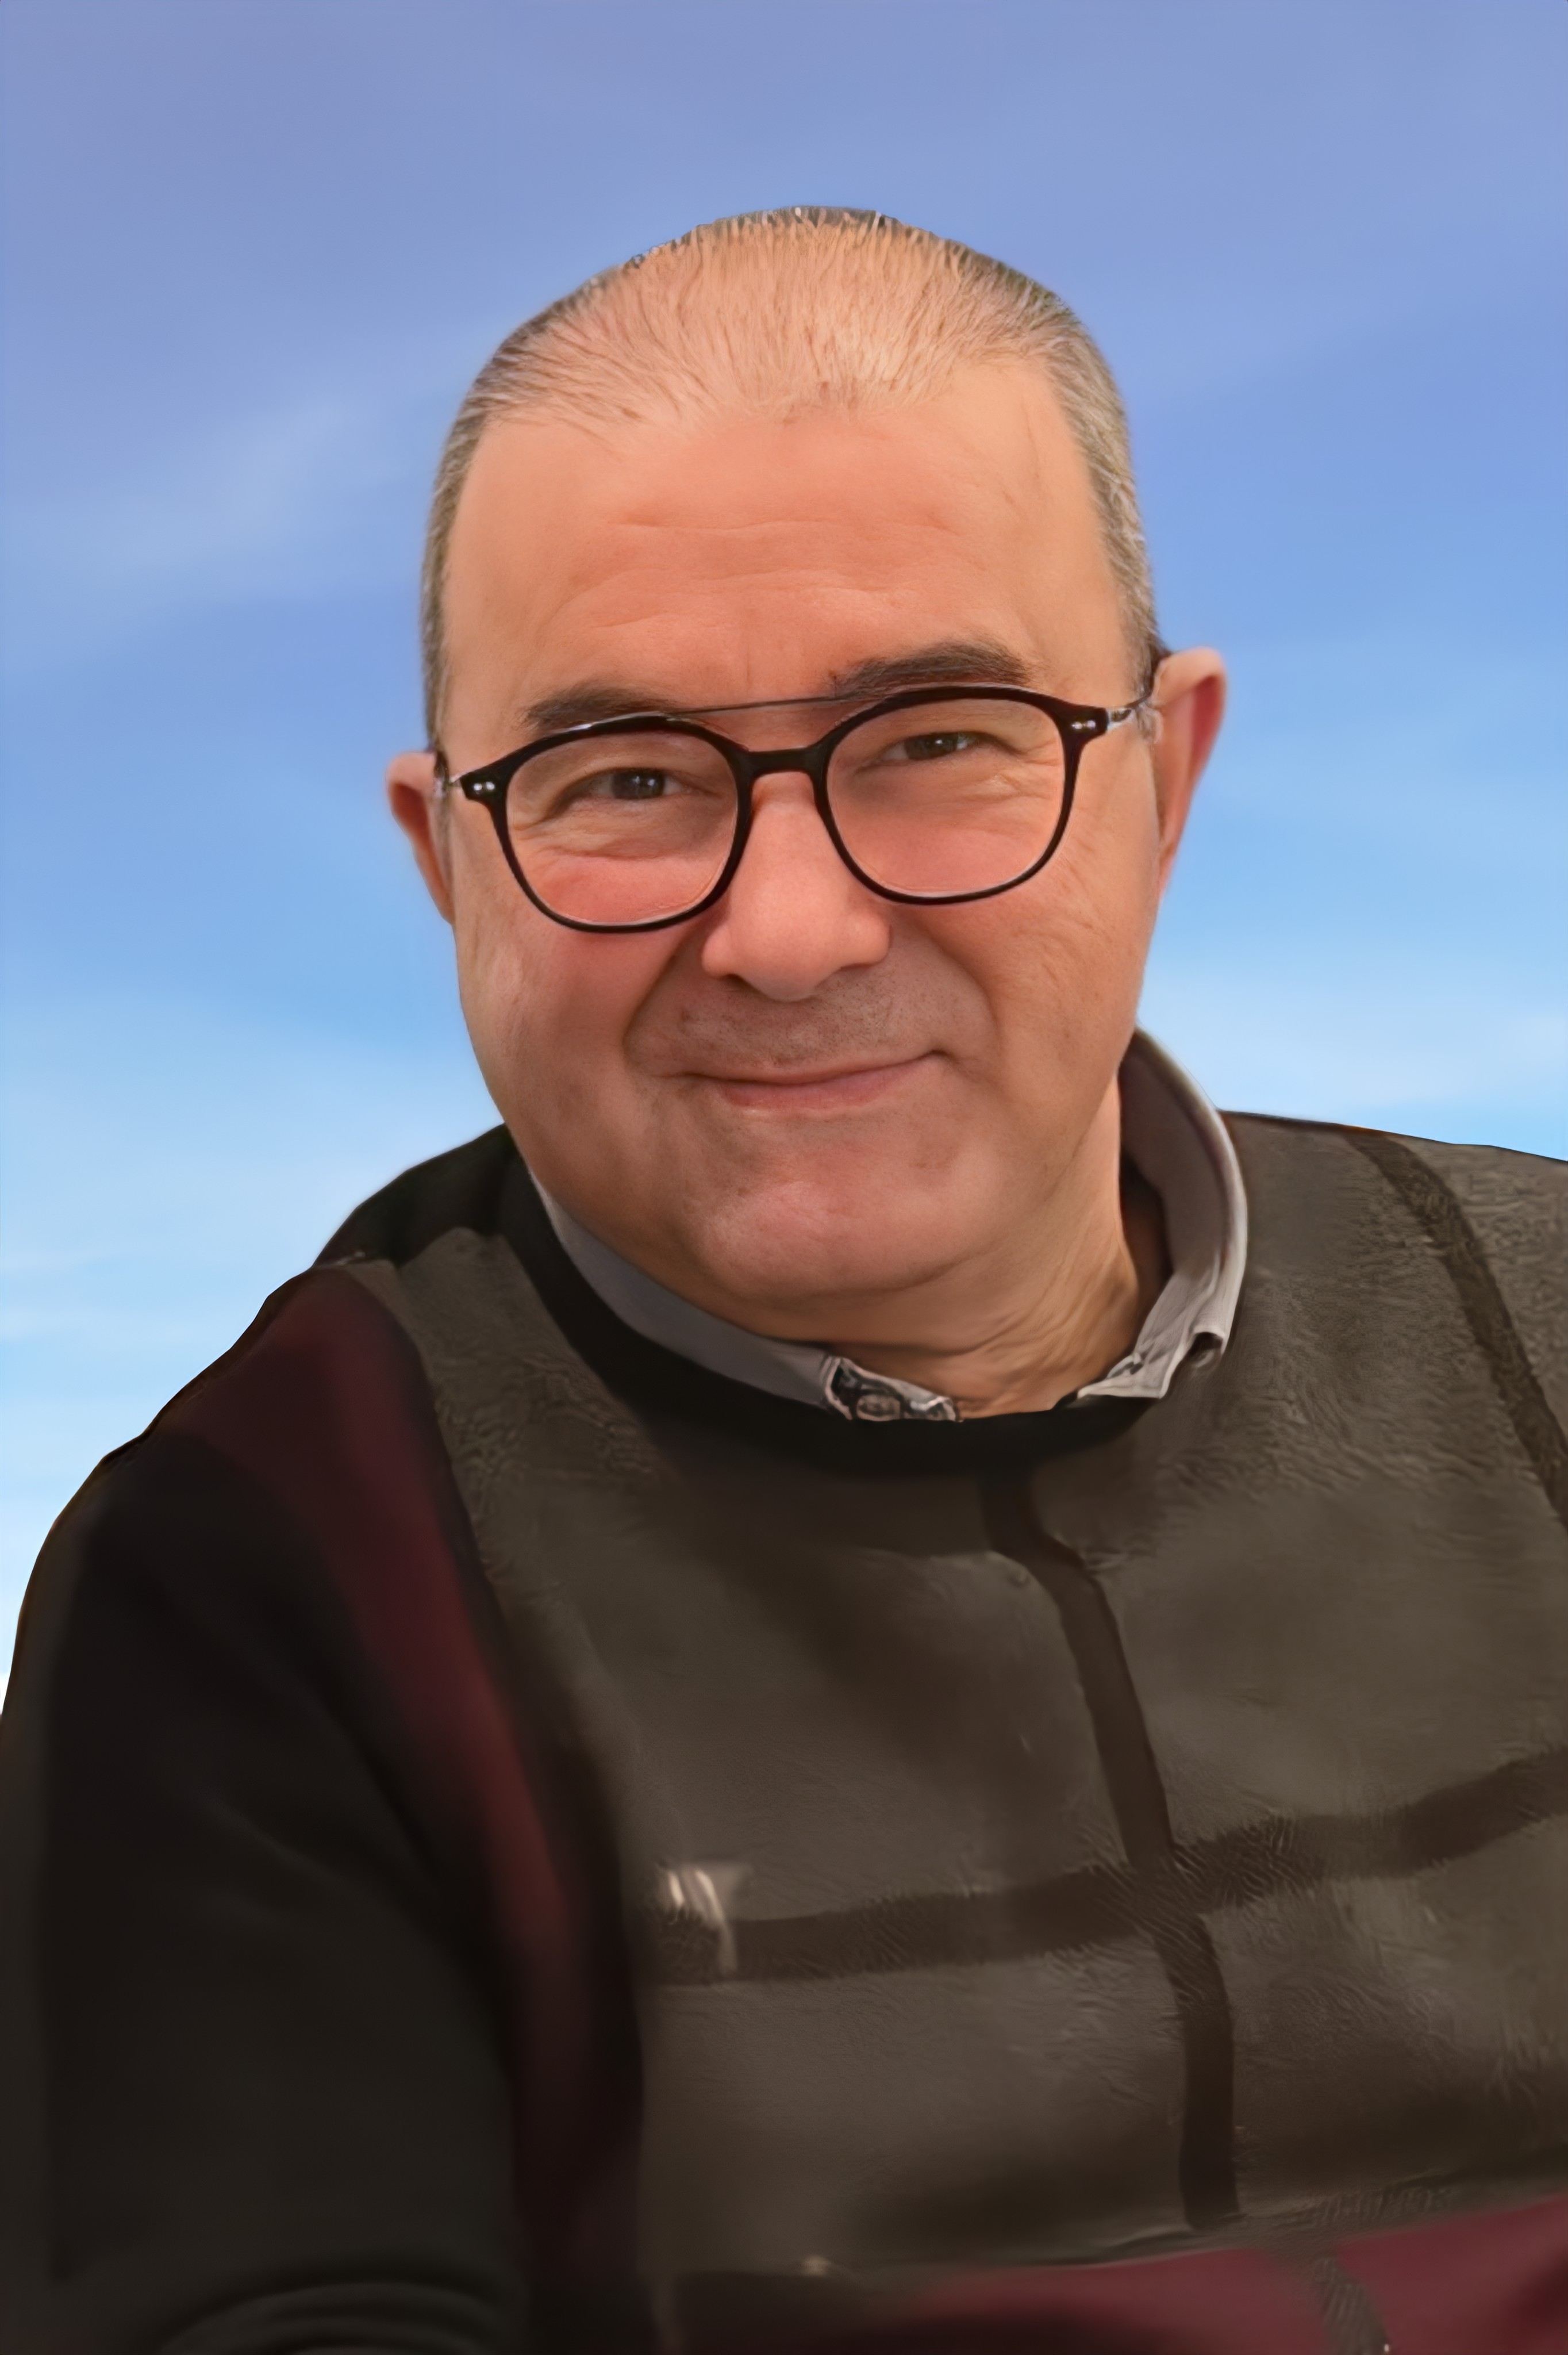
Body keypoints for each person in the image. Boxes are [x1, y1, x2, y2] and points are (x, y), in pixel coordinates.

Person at [2, 209, 1565, 2355]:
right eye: (627, 781)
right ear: (452, 866)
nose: (791, 932)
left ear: (1163, 779)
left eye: (939, 740)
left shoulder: (1546, 1316)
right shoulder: (265, 1565)